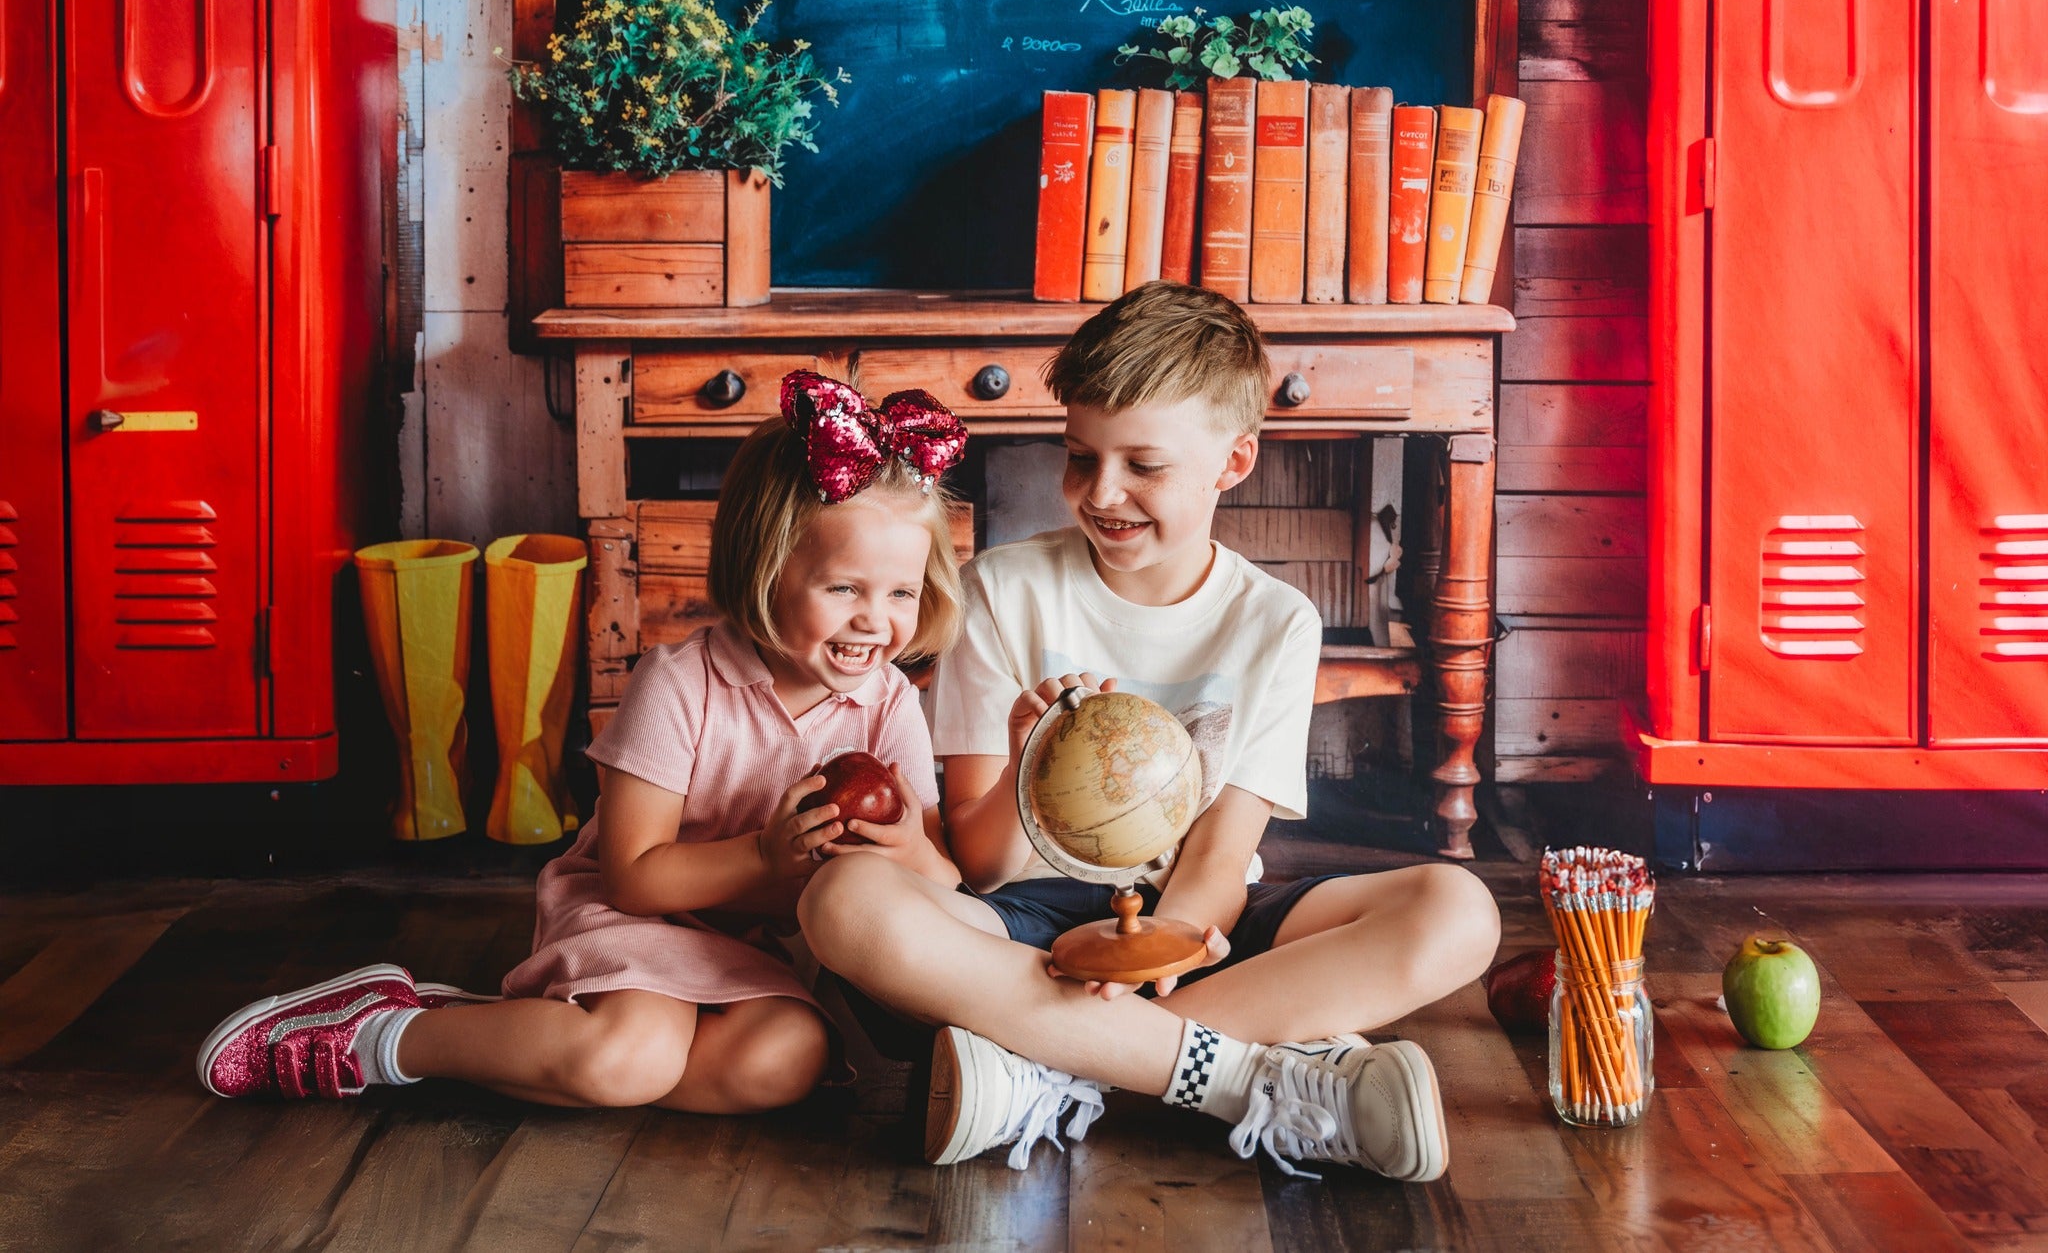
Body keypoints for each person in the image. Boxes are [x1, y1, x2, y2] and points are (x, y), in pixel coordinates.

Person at [798, 281, 1501, 1179]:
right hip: (1020, 929)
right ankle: (1243, 1078)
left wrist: (1158, 959)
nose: (1103, 492)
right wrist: (1026, 760)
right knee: (842, 900)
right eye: (1080, 457)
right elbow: (980, 864)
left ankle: (1050, 1075)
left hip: (1197, 933)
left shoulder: (1277, 621)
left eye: (1144, 465)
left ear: (1233, 462)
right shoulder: (1001, 592)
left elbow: (1218, 860)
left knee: (1459, 911)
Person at [197, 371, 972, 1115]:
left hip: (750, 951)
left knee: (788, 1061)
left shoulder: (889, 705)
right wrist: (762, 859)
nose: (877, 619)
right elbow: (633, 877)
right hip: (635, 918)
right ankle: (389, 1033)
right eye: (845, 588)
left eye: (900, 591)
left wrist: (905, 846)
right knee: (630, 1052)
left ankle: (547, 1046)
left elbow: (942, 879)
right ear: (766, 572)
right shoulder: (683, 683)